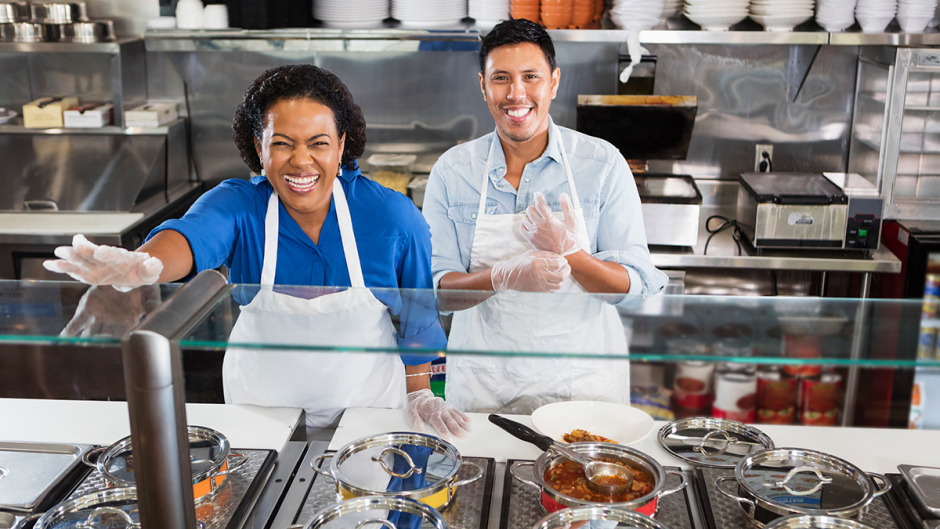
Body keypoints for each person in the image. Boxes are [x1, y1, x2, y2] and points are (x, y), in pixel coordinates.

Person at [44, 64, 470, 438]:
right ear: (259, 146)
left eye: (318, 143)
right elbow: (191, 238)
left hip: (367, 408)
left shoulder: (392, 217)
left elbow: (418, 320)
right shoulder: (238, 205)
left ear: (341, 146)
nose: (301, 161)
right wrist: (145, 266)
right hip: (259, 411)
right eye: (282, 143)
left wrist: (420, 394)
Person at [423, 19, 669, 414]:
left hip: (582, 384)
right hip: (486, 386)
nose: (515, 93)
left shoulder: (602, 164)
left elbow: (634, 287)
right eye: (501, 78)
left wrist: (572, 254)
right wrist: (502, 275)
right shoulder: (453, 172)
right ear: (482, 85)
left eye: (530, 76)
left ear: (553, 82)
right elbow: (438, 293)